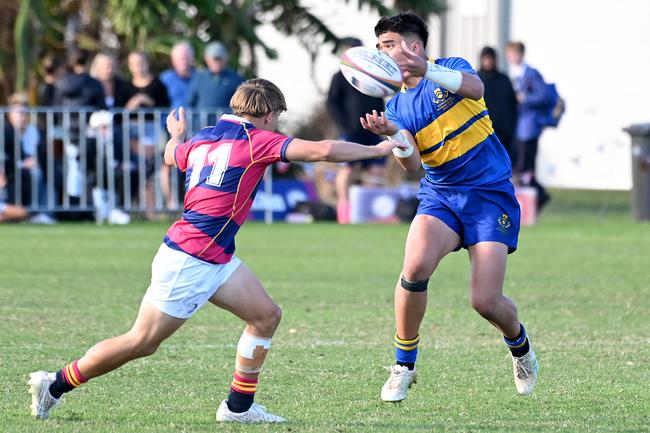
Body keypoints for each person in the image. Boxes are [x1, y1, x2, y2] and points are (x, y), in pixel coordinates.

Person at [27, 78, 405, 423]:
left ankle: (238, 407)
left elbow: (171, 154)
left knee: (266, 315)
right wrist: (380, 148)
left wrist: (174, 135)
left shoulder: (205, 137)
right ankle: (55, 384)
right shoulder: (257, 141)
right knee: (141, 342)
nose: (276, 126)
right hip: (190, 258)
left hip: (213, 255)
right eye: (276, 118)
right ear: (269, 114)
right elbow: (323, 149)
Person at [359, 12, 538, 403]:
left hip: (489, 195)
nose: (382, 53)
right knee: (414, 268)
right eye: (380, 47)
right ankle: (404, 365)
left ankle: (520, 346)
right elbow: (411, 166)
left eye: (388, 45)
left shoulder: (451, 68)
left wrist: (426, 70)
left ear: (414, 47)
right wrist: (394, 135)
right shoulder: (396, 108)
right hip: (441, 194)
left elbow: (474, 89)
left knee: (484, 301)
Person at [326, 37, 387, 224]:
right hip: (351, 132)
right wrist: (346, 125)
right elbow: (332, 104)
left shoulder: (372, 76)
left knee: (376, 170)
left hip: (372, 131)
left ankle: (367, 211)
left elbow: (379, 101)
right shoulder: (339, 77)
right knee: (347, 171)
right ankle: (344, 211)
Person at [505, 41, 551, 210]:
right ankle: (535, 199)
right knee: (519, 166)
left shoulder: (530, 73)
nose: (512, 58)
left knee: (526, 168)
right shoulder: (512, 73)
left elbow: (544, 95)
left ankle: (537, 200)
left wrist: (526, 98)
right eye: (510, 55)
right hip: (518, 127)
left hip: (529, 127)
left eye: (515, 54)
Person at [3, 93, 56, 224]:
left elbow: (42, 155)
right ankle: (32, 213)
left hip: (30, 169)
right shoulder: (5, 131)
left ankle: (43, 213)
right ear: (10, 114)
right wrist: (20, 165)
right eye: (18, 113)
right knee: (35, 173)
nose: (22, 117)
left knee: (50, 174)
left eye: (24, 113)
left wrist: (37, 162)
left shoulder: (35, 132)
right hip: (11, 172)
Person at [478, 46, 518, 166]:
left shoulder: (504, 79)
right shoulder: (476, 79)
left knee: (502, 166)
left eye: (491, 58)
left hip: (504, 134)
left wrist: (511, 128)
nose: (488, 61)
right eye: (486, 58)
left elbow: (512, 105)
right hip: (482, 133)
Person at [186, 41, 244, 114]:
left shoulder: (236, 79)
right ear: (206, 59)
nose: (217, 62)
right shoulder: (198, 78)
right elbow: (189, 103)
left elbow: (242, 105)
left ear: (226, 58)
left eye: (219, 59)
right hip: (201, 124)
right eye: (214, 59)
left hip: (226, 124)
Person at [160, 41, 197, 110]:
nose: (183, 60)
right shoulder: (164, 79)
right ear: (173, 60)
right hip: (170, 119)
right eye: (179, 58)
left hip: (196, 120)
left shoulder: (201, 78)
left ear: (192, 58)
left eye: (186, 57)